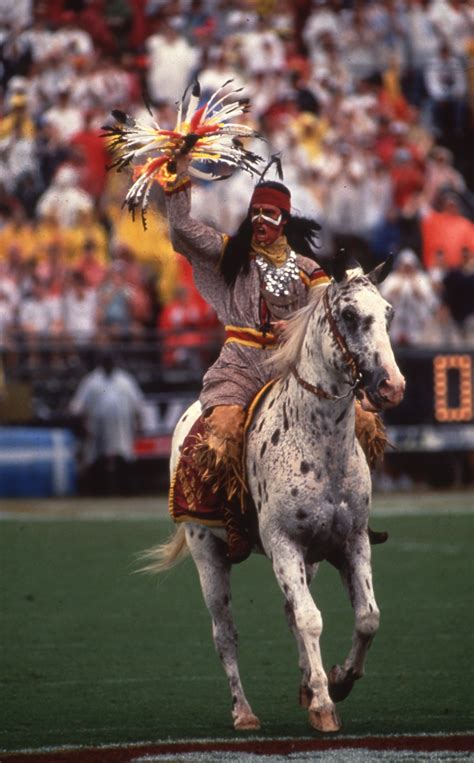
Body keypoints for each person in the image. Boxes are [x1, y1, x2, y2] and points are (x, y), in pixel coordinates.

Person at [161, 154, 385, 562]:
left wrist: (300, 327)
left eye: (269, 213)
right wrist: (176, 180)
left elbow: (329, 312)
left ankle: (355, 515)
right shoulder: (233, 254)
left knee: (368, 424)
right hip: (240, 364)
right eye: (255, 212)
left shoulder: (308, 270)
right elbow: (182, 228)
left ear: (285, 219)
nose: (260, 220)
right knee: (224, 429)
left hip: (294, 369)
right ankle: (232, 516)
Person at [69, 350, 146, 496]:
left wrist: (138, 422)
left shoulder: (125, 380)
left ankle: (125, 492)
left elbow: (138, 404)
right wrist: (83, 425)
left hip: (121, 427)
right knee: (97, 459)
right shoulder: (91, 381)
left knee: (123, 457)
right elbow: (77, 407)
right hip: (97, 427)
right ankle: (98, 492)